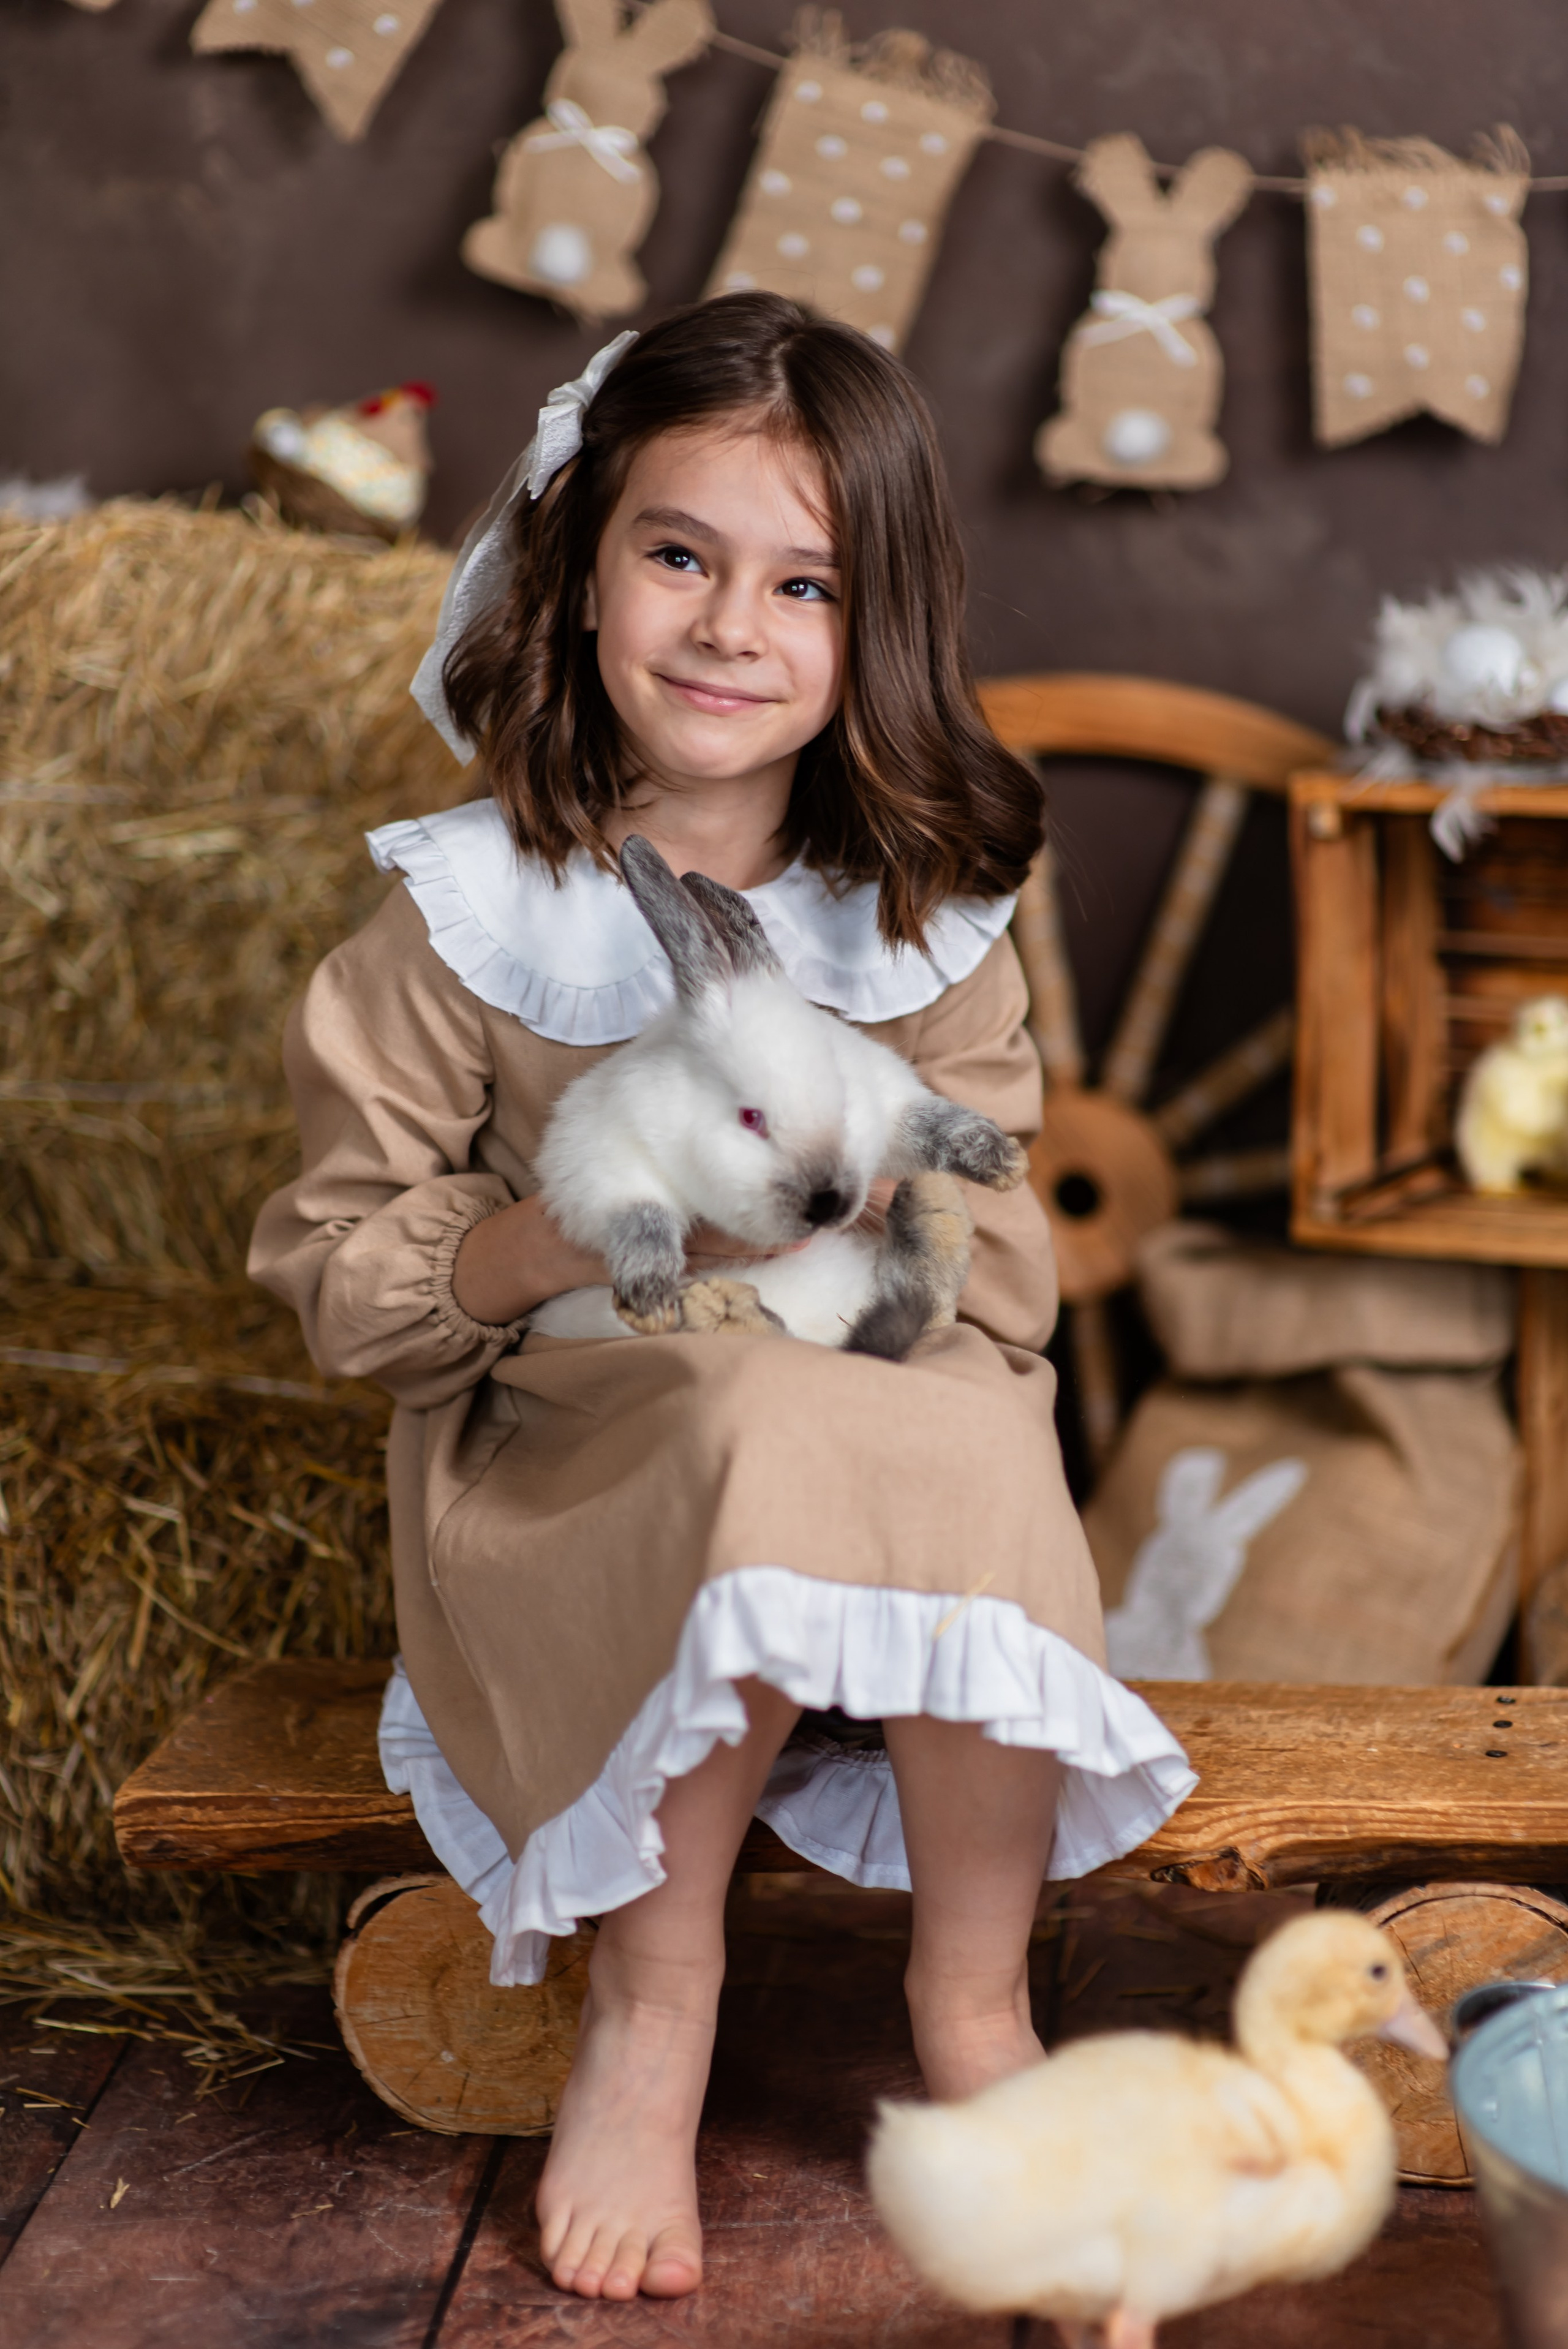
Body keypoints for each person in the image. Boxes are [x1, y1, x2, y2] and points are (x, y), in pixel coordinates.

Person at [250, 293, 1193, 2306]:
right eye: (679, 554)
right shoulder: (461, 921)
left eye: (803, 583)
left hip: (890, 1427)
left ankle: (974, 2003)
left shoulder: (927, 927)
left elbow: (999, 1283)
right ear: (578, 567)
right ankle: (654, 2006)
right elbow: (346, 1276)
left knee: (963, 1419)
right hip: (582, 1460)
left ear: (877, 628)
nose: (727, 625)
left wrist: (862, 1238)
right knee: (756, 1420)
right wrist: (584, 1236)